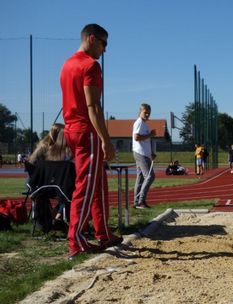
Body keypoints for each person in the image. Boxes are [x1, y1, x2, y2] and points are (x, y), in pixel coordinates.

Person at [60, 23, 122, 258]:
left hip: (72, 130)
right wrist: (105, 139)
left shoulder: (67, 64)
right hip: (87, 131)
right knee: (85, 187)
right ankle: (75, 240)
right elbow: (93, 106)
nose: (105, 50)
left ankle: (103, 231)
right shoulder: (90, 66)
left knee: (98, 183)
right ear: (92, 39)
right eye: (104, 44)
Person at [28, 123, 72, 224]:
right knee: (69, 189)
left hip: (41, 183)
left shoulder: (59, 148)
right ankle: (57, 214)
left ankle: (54, 214)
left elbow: (30, 164)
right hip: (42, 183)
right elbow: (33, 164)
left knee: (66, 187)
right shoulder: (45, 147)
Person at [132, 103, 156, 209]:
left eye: (149, 113)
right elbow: (136, 137)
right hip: (140, 153)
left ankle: (137, 202)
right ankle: (141, 201)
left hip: (144, 153)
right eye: (145, 112)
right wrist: (150, 135)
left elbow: (145, 141)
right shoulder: (139, 123)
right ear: (140, 111)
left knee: (141, 177)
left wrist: (151, 153)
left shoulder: (145, 124)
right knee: (150, 176)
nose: (147, 114)